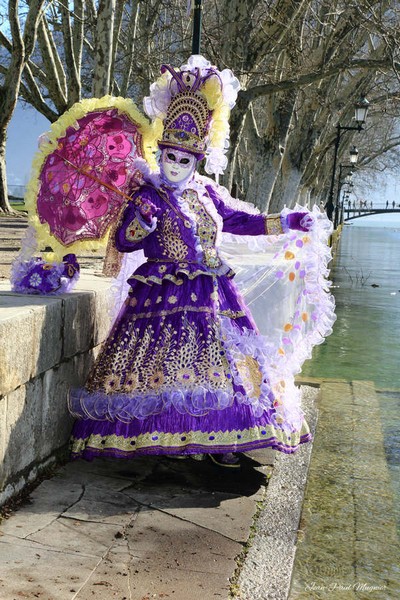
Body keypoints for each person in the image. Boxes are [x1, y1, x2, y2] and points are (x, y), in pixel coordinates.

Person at [68, 56, 334, 467]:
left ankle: (224, 439)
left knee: (227, 366)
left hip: (214, 292)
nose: (175, 166)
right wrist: (142, 220)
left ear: (197, 161)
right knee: (171, 370)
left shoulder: (205, 194)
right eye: (169, 158)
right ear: (161, 154)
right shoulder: (149, 194)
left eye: (184, 160)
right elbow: (122, 239)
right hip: (161, 298)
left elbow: (238, 221)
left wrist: (286, 221)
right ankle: (174, 439)